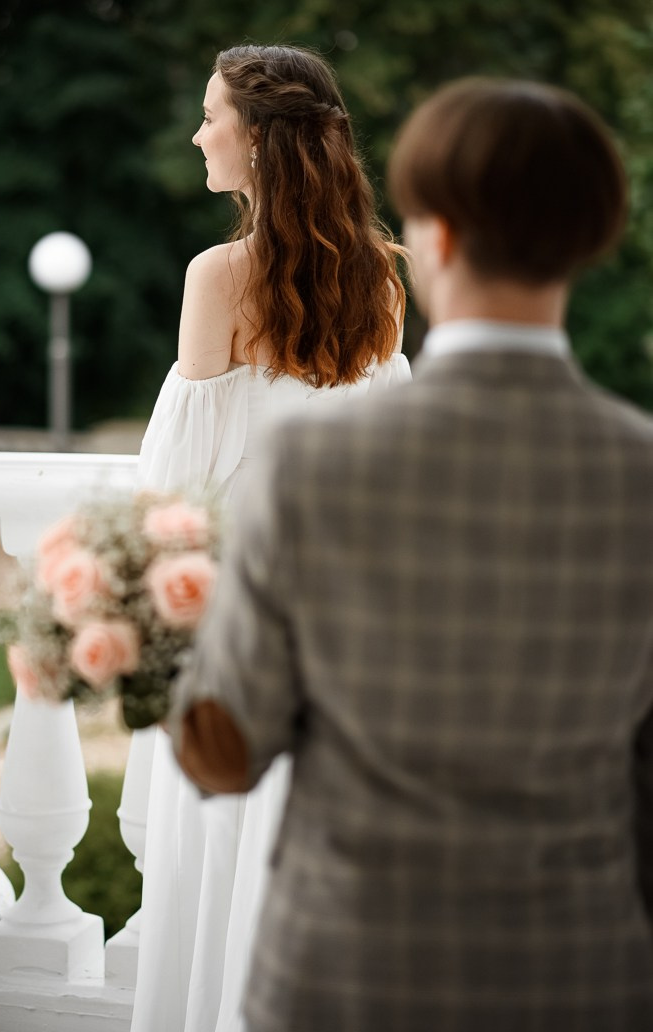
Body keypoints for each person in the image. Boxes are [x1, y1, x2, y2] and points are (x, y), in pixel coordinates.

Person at [170, 77, 653, 1031]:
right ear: (593, 238)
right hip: (588, 971)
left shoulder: (311, 469)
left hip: (351, 967)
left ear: (432, 236)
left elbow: (224, 751)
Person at [128, 44, 411, 1032]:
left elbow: (171, 493)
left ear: (256, 140)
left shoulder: (219, 280)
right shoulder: (380, 280)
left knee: (220, 903)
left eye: (212, 116)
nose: (198, 133)